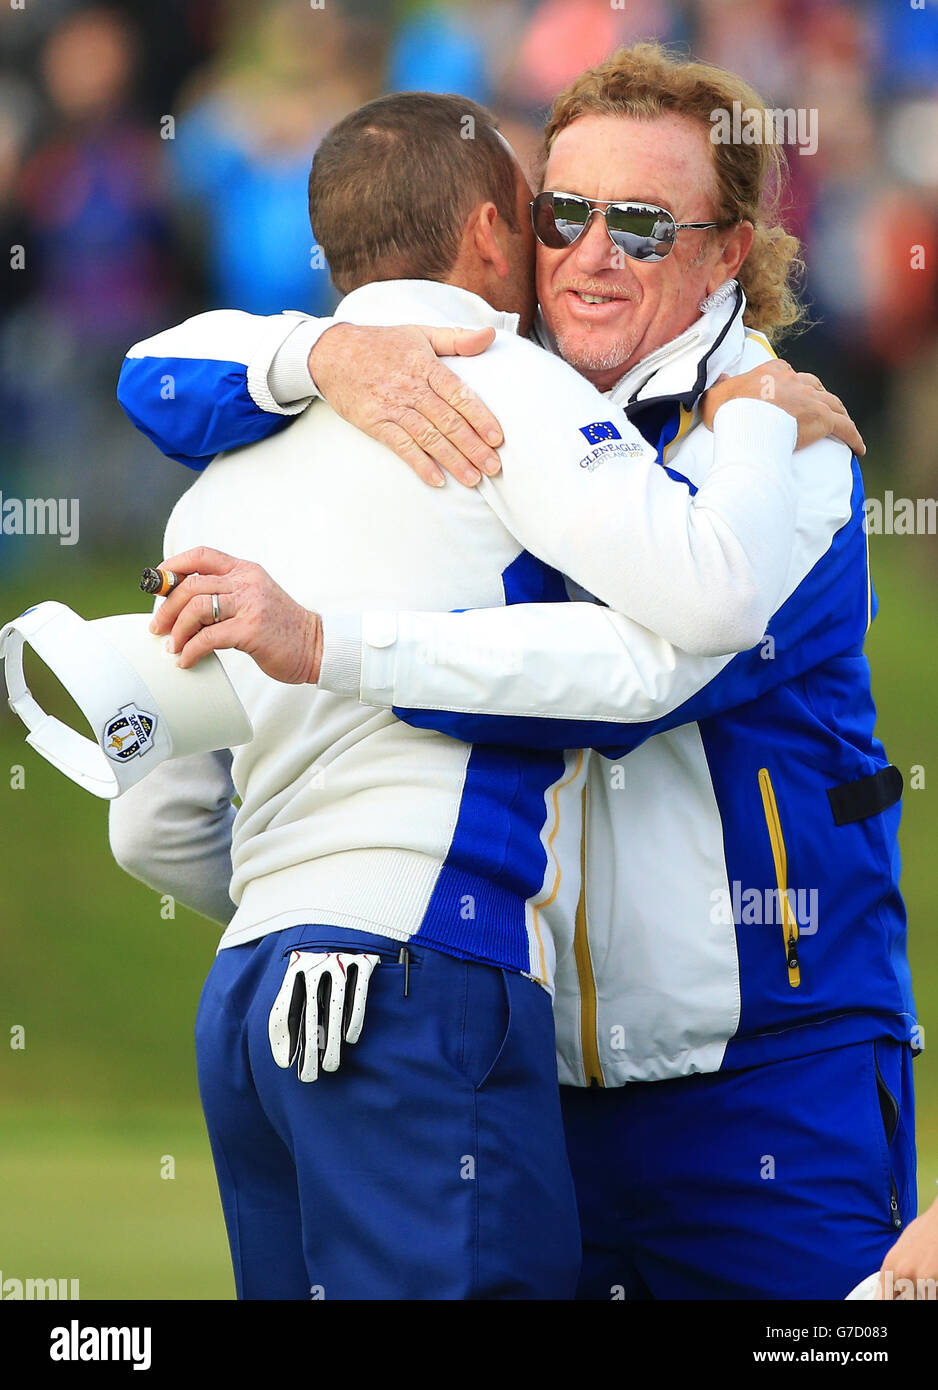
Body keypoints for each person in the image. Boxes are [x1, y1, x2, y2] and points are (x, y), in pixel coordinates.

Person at [117, 45, 917, 1301]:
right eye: (566, 212)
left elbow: (634, 677)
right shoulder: (486, 386)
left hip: (767, 1069)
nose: (592, 253)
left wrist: (331, 646)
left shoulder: (780, 440)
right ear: (507, 227)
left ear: (726, 254)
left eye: (643, 225)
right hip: (530, 1069)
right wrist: (321, 358)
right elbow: (160, 371)